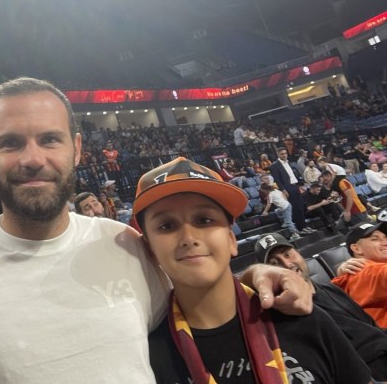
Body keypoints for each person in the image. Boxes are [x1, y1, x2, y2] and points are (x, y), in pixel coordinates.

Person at [0, 77, 312, 384]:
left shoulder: (124, 244)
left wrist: (255, 275)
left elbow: (200, 299)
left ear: (77, 149)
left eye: (50, 139)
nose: (32, 158)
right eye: (10, 143)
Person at [137, 158, 371, 384]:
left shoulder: (302, 316)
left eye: (204, 220)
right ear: (150, 250)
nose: (188, 237)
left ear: (231, 240)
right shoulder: (146, 360)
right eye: (166, 225)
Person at [256, 232, 387, 380]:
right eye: (275, 263)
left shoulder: (332, 289)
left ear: (299, 254)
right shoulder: (288, 314)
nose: (287, 264)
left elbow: (372, 326)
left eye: (288, 255)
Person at [331, 221, 387, 328]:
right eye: (374, 239)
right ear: (357, 248)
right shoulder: (367, 270)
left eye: (385, 237)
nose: (385, 242)